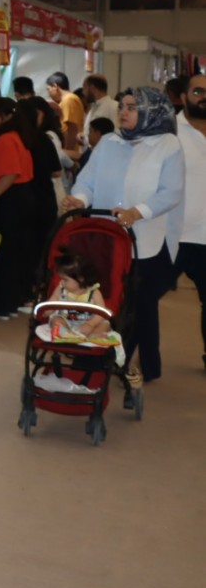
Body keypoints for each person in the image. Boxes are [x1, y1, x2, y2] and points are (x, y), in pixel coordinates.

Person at [67, 87, 184, 396]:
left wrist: (137, 212)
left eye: (133, 107)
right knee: (110, 299)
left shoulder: (167, 145)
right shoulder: (109, 142)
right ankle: (106, 358)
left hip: (147, 239)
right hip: (107, 237)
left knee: (139, 304)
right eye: (122, 107)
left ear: (151, 112)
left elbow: (171, 192)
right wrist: (78, 198)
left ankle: (137, 363)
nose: (124, 112)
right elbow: (88, 180)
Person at [0, 97, 39, 319]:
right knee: (17, 253)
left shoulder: (6, 140)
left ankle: (2, 304)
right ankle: (17, 299)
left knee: (5, 255)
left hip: (10, 200)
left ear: (8, 116)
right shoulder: (17, 137)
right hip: (20, 198)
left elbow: (10, 174)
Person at [174, 74, 206, 370]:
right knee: (141, 298)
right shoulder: (169, 132)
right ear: (184, 97)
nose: (203, 96)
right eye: (197, 91)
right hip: (172, 234)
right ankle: (120, 356)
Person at [40, 249, 123, 363]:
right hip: (67, 320)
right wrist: (49, 309)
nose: (62, 282)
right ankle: (69, 335)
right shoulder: (61, 288)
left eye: (65, 279)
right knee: (56, 320)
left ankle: (91, 336)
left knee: (105, 325)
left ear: (80, 279)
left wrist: (90, 324)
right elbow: (53, 300)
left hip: (90, 322)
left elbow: (101, 312)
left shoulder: (94, 292)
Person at [46, 72, 85, 154]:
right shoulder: (67, 100)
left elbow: (72, 128)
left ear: (55, 86)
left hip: (72, 152)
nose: (48, 94)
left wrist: (67, 152)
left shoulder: (69, 100)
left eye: (48, 89)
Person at [81, 74, 117, 146]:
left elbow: (98, 138)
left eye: (84, 88)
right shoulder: (94, 106)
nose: (83, 93)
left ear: (92, 88)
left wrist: (83, 138)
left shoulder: (111, 107)